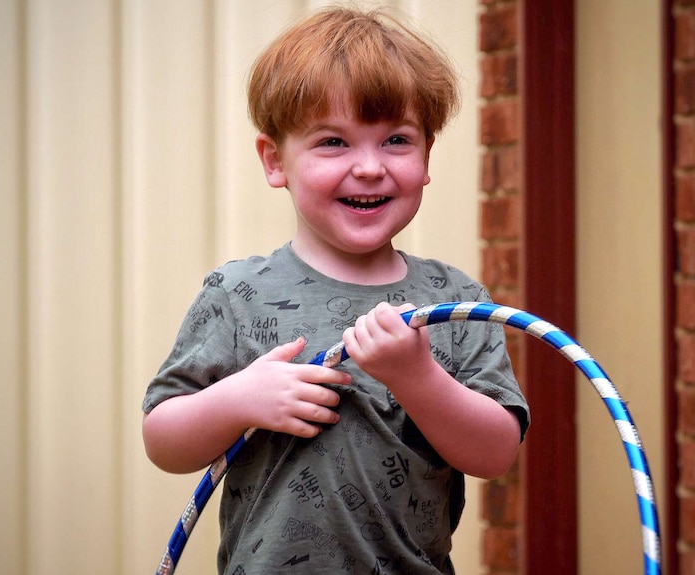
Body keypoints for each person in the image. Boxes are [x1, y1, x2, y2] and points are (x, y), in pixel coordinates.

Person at [142, 7, 529, 574]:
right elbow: (163, 438)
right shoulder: (237, 293)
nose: (369, 167)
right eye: (333, 142)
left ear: (426, 159)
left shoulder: (455, 300)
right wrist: (239, 398)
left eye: (396, 139)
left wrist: (415, 376)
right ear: (276, 161)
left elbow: (496, 453)